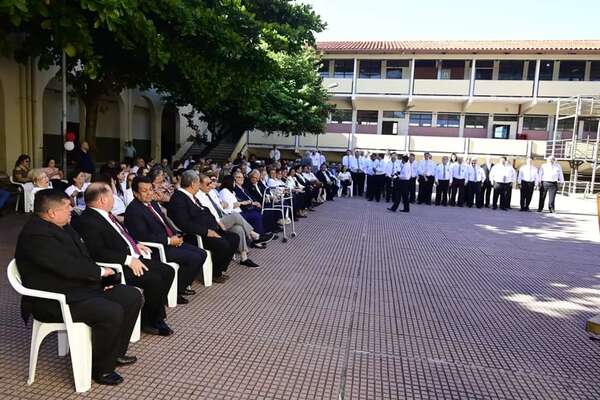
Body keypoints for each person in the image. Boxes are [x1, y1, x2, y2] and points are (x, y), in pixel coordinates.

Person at [15, 189, 142, 385]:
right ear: (52, 213)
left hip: (74, 288)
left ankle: (114, 353)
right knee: (111, 311)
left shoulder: (62, 225)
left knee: (131, 296)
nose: (71, 210)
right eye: (67, 207)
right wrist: (100, 275)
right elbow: (67, 267)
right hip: (52, 299)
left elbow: (83, 258)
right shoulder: (36, 235)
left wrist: (101, 282)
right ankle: (101, 369)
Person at [75, 183, 175, 336]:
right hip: (115, 267)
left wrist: (136, 244)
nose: (114, 199)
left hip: (129, 256)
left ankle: (152, 315)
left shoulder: (105, 214)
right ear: (102, 199)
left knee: (167, 271)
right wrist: (128, 260)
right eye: (111, 196)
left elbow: (121, 234)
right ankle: (150, 321)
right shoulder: (89, 221)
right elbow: (97, 252)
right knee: (155, 280)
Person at [124, 176, 204, 304]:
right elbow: (143, 237)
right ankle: (173, 292)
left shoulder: (153, 203)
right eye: (145, 191)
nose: (150, 193)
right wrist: (168, 241)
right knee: (193, 258)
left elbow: (165, 223)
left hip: (169, 241)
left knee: (202, 253)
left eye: (151, 189)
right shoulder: (134, 210)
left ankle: (180, 286)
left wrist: (175, 235)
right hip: (155, 249)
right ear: (135, 193)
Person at [167, 170, 238, 281]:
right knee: (223, 244)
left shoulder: (191, 196)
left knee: (234, 238)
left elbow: (203, 211)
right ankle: (214, 273)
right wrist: (207, 232)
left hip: (209, 229)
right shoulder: (179, 198)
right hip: (195, 235)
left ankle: (218, 270)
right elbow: (184, 223)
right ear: (193, 184)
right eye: (198, 183)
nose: (199, 185)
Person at [197, 174, 264, 267]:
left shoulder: (211, 193)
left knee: (239, 229)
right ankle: (253, 234)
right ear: (199, 184)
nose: (211, 185)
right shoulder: (198, 196)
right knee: (236, 215)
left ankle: (244, 258)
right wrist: (222, 210)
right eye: (208, 183)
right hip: (215, 222)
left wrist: (222, 205)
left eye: (211, 183)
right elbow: (210, 213)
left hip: (223, 215)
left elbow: (221, 206)